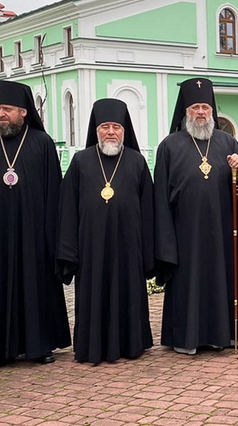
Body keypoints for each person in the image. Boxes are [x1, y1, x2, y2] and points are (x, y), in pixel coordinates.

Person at [0, 80, 70, 368]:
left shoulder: (41, 143)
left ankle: (39, 346)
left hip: (34, 235)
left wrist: (52, 237)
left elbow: (53, 193)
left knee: (36, 287)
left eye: (7, 109)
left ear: (23, 111)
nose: (1, 115)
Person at [57, 99, 158, 363]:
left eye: (116, 127)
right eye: (105, 127)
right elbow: (67, 209)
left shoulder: (137, 162)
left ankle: (130, 344)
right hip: (91, 249)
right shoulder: (80, 162)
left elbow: (149, 210)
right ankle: (93, 346)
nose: (111, 132)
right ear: (96, 130)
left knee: (128, 294)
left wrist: (148, 253)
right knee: (93, 294)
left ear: (124, 131)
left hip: (128, 247)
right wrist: (69, 252)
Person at [155, 78, 238, 354]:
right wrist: (165, 242)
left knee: (222, 280)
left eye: (205, 107)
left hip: (222, 231)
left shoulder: (228, 142)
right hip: (184, 233)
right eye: (195, 107)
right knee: (188, 284)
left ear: (213, 111)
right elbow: (160, 197)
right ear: (186, 111)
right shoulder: (169, 146)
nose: (200, 112)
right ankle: (186, 339)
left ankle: (222, 336)